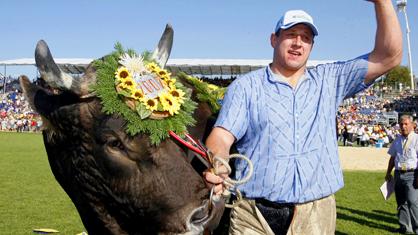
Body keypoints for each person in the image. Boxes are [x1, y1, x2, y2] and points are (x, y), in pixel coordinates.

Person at [204, 1, 402, 234]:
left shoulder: (330, 80)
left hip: (315, 213)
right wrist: (219, 164)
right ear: (273, 39)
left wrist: (382, 2)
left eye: (306, 37)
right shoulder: (246, 87)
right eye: (291, 34)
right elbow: (221, 137)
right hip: (253, 213)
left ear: (311, 46)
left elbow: (389, 56)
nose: (298, 42)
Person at [385, 115, 418, 234]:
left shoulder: (416, 139)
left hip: (412, 174)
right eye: (401, 124)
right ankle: (405, 227)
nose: (403, 126)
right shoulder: (397, 140)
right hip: (398, 174)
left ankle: (417, 228)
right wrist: (388, 172)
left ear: (412, 125)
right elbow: (393, 158)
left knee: (413, 202)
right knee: (401, 202)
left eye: (406, 124)